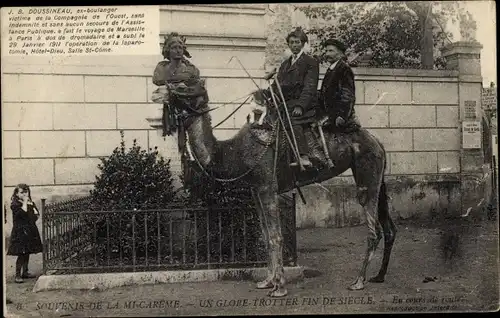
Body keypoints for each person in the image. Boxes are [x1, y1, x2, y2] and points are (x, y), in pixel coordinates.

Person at [266, 27, 320, 167]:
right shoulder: (285, 64)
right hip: (286, 104)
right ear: (288, 45)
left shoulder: (310, 62)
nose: (294, 45)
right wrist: (266, 94)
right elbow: (278, 85)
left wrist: (300, 106)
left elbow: (310, 86)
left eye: (297, 42)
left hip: (304, 105)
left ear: (303, 43)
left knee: (293, 120)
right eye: (291, 42)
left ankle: (304, 156)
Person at [152, 32, 208, 137]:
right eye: (174, 47)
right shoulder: (161, 69)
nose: (178, 50)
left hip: (187, 113)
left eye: (180, 47)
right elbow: (157, 80)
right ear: (168, 50)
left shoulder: (192, 70)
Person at [318, 38, 360, 133]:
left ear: (340, 53)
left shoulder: (344, 69)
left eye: (331, 51)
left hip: (339, 118)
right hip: (329, 116)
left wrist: (342, 115)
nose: (327, 54)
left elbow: (347, 95)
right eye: (326, 51)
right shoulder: (331, 70)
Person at [7, 184, 43, 283]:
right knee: (21, 253)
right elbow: (22, 213)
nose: (24, 194)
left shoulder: (29, 202)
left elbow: (35, 214)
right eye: (21, 192)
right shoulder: (15, 204)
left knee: (27, 251)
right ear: (16, 194)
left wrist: (35, 213)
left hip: (29, 229)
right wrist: (26, 202)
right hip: (20, 231)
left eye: (26, 192)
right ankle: (17, 275)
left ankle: (25, 272)